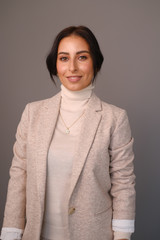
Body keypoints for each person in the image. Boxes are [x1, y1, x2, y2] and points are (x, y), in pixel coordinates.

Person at [0, 26, 136, 240]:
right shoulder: (32, 113)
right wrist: (10, 233)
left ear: (95, 63)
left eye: (82, 57)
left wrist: (122, 236)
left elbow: (123, 182)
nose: (72, 67)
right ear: (55, 65)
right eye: (64, 58)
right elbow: (19, 177)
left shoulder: (114, 118)